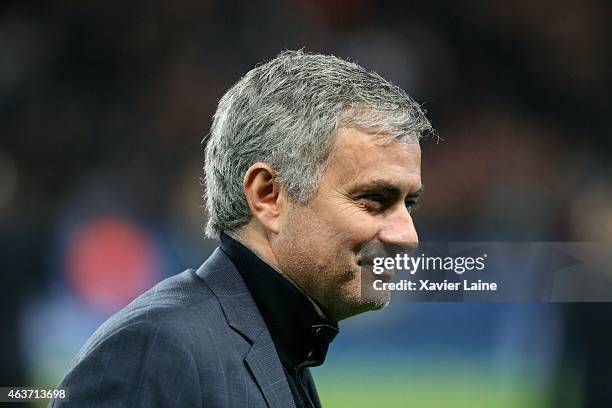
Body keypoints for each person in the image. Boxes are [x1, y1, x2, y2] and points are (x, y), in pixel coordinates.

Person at [51, 50, 433, 407]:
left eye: (408, 204)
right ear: (268, 196)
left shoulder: (282, 345)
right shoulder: (155, 351)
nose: (408, 236)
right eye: (374, 200)